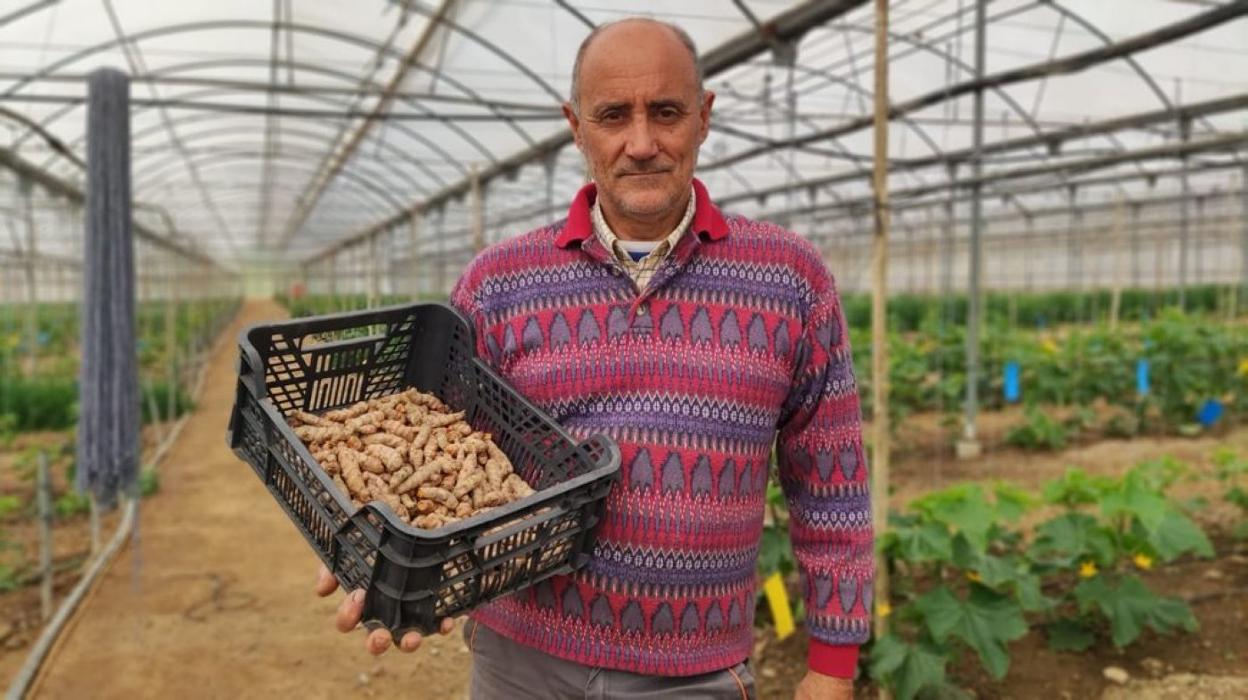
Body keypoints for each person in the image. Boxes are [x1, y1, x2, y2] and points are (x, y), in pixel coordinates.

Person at [317, 17, 873, 700]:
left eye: (666, 112)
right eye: (613, 116)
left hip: (696, 674)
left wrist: (832, 663)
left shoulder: (790, 279)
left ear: (704, 118)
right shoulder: (499, 284)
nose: (642, 143)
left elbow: (833, 481)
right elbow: (434, 453)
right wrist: (382, 555)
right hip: (521, 659)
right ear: (576, 128)